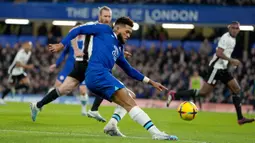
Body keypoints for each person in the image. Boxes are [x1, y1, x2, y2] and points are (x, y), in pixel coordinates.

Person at [43, 16, 178, 140]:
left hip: (97, 77)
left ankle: (112, 125)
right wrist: (62, 44)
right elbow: (78, 29)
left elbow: (129, 70)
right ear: (118, 28)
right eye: (127, 31)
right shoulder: (104, 29)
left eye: (130, 33)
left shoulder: (119, 48)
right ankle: (156, 133)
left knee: (129, 97)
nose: (129, 35)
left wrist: (151, 82)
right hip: (98, 74)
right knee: (130, 102)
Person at [166, 21, 254, 125]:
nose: (235, 30)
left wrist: (229, 63)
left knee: (237, 89)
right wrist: (232, 60)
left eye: (237, 28)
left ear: (239, 30)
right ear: (229, 28)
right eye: (233, 28)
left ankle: (240, 118)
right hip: (216, 69)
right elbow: (219, 53)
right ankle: (174, 94)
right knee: (203, 93)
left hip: (223, 69)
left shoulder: (233, 40)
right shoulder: (225, 38)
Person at [48, 22, 89, 115]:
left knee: (83, 90)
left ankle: (83, 109)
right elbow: (63, 53)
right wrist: (56, 64)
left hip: (81, 68)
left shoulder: (87, 40)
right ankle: (41, 104)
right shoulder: (71, 39)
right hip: (69, 67)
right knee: (57, 86)